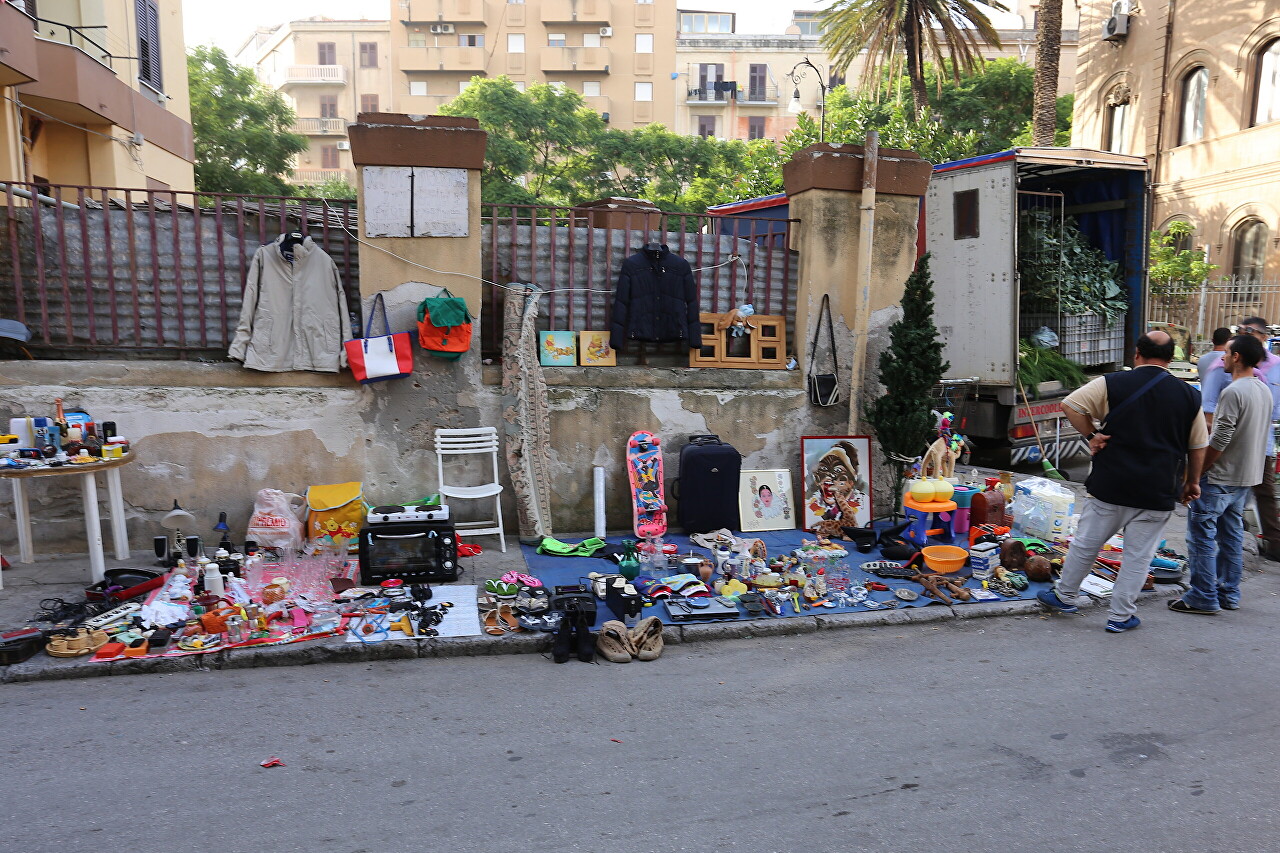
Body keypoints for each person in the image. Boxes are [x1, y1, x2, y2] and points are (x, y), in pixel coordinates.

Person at [1038, 330, 1208, 632]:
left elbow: (1070, 405)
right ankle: (1120, 617)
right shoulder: (1189, 396)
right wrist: (1192, 482)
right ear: (1170, 359)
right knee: (1138, 556)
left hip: (1111, 483)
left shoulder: (1112, 383)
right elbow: (1197, 446)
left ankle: (1064, 596)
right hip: (1157, 489)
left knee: (1087, 544)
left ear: (1136, 355)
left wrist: (1092, 435)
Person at [1171, 333, 1273, 614]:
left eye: (1226, 354)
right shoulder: (1262, 389)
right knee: (1231, 536)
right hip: (1245, 477)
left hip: (1219, 478)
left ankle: (1203, 595)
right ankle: (1229, 592)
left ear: (1237, 357)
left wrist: (1195, 473)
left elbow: (1220, 439)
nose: (1223, 358)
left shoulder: (1233, 391)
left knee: (1201, 536)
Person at [1201, 317, 1280, 559]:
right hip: (1234, 458)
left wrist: (1199, 470)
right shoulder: (1226, 372)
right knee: (1229, 526)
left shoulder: (1257, 381)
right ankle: (1225, 588)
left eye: (1249, 331)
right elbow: (1209, 413)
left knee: (1206, 532)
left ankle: (1208, 593)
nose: (1222, 356)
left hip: (1245, 455)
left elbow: (1222, 435)